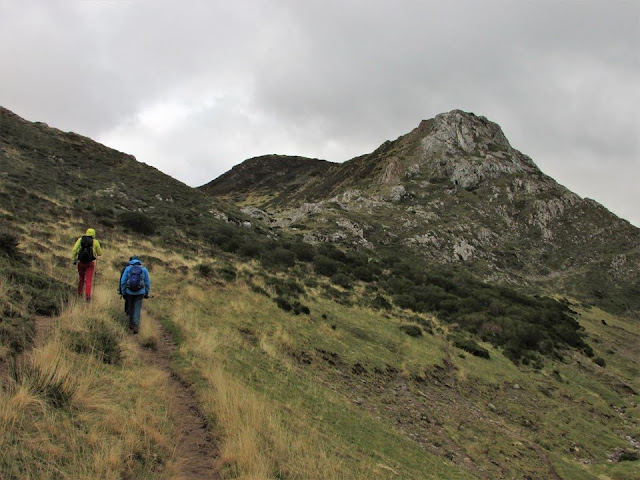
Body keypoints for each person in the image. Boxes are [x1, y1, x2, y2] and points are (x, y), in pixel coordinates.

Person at [120, 256, 151, 334]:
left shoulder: (128, 268)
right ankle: (136, 326)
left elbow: (123, 281)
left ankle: (131, 324)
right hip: (140, 292)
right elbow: (147, 282)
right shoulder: (144, 269)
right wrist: (146, 293)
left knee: (131, 307)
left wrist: (123, 292)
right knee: (137, 308)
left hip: (129, 292)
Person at [71, 228, 103, 301]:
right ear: (94, 234)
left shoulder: (80, 240)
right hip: (90, 264)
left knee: (81, 279)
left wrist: (74, 259)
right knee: (88, 280)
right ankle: (87, 296)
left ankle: (79, 293)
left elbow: (74, 250)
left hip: (81, 262)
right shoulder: (95, 242)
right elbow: (100, 253)